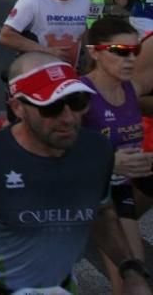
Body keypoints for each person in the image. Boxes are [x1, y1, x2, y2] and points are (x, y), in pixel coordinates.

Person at [0, 51, 152, 295]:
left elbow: (103, 213)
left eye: (77, 102)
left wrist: (129, 269)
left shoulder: (97, 150)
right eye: (51, 107)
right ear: (18, 108)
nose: (69, 118)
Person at [81, 18, 153, 295]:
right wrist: (110, 161)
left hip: (117, 195)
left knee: (134, 280)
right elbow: (53, 154)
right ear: (94, 52)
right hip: (74, 199)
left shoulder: (132, 91)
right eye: (120, 51)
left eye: (134, 51)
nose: (129, 59)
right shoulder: (79, 96)